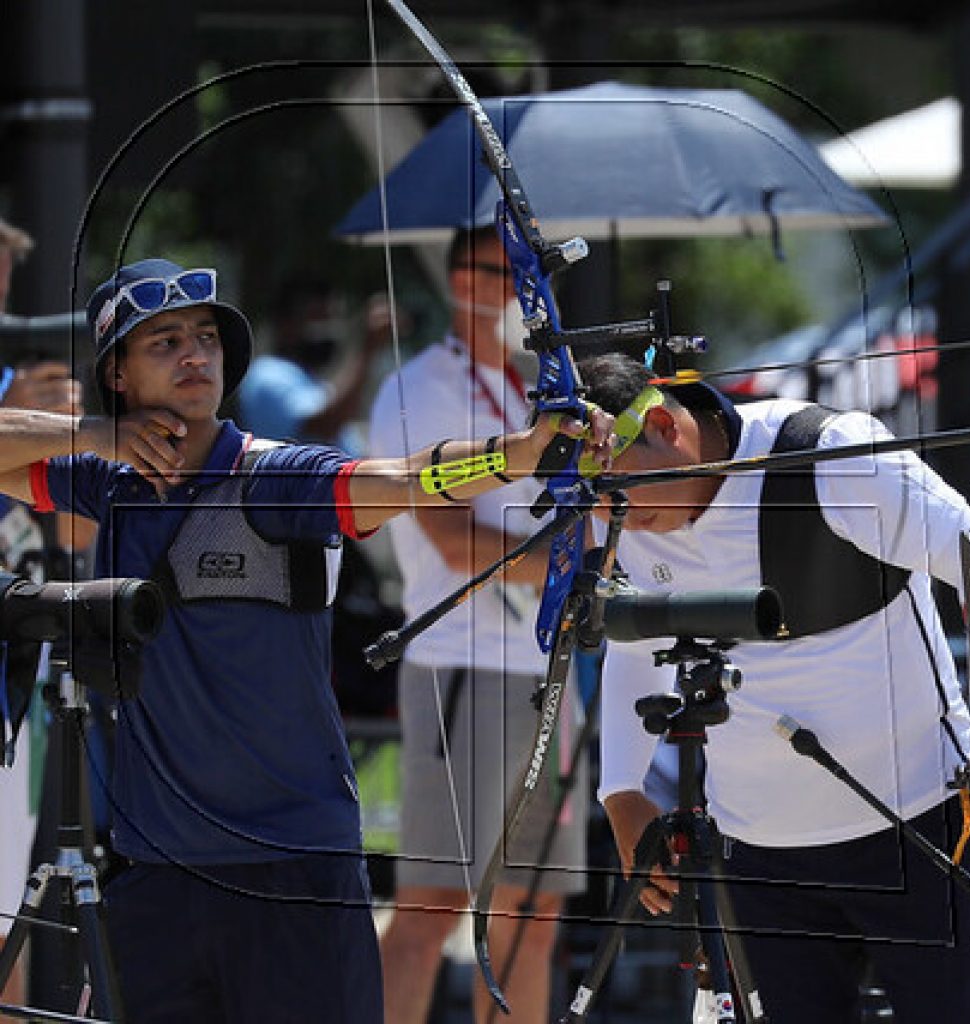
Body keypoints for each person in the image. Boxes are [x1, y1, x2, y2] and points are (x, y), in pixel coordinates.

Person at [0, 257, 613, 1023]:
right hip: (155, 874)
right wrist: (92, 432)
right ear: (117, 376)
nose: (194, 354)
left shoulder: (276, 478)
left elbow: (407, 477)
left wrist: (519, 455)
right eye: (162, 343)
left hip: (293, 868)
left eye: (204, 338)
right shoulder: (108, 482)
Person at [576, 351, 970, 1024]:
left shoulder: (831, 453)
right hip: (758, 855)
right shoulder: (631, 515)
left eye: (615, 490)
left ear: (665, 426)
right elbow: (633, 637)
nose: (610, 515)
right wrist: (621, 789)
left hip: (918, 823)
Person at [368, 228, 589, 1024]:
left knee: (534, 915)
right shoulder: (421, 386)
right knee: (431, 907)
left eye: (529, 280)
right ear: (461, 279)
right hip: (462, 662)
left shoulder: (531, 387)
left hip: (547, 671)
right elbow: (452, 540)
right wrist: (575, 559)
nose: (519, 296)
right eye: (501, 275)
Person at [0, 215, 82, 1012]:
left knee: (1, 922)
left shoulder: (28, 395)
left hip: (10, 692)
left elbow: (83, 529)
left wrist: (71, 438)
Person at [236, 278, 392, 446]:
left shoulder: (310, 379)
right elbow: (327, 425)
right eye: (317, 318)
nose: (327, 329)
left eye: (331, 319)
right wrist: (367, 350)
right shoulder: (267, 375)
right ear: (285, 324)